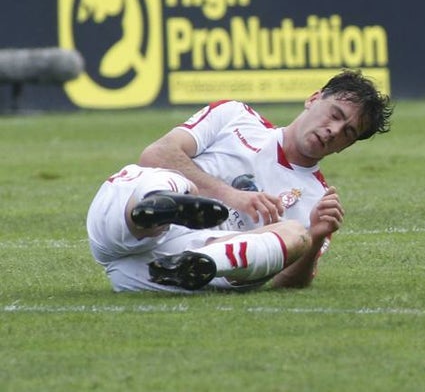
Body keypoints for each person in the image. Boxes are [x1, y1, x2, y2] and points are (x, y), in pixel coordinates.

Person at [86, 69, 392, 292]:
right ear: (313, 99)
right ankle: (158, 212)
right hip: (117, 224)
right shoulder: (235, 117)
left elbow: (286, 283)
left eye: (347, 133)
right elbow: (155, 154)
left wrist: (315, 239)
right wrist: (232, 197)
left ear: (346, 147)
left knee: (296, 233)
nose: (334, 131)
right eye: (335, 114)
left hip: (159, 274)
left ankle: (199, 263)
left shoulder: (318, 200)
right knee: (173, 183)